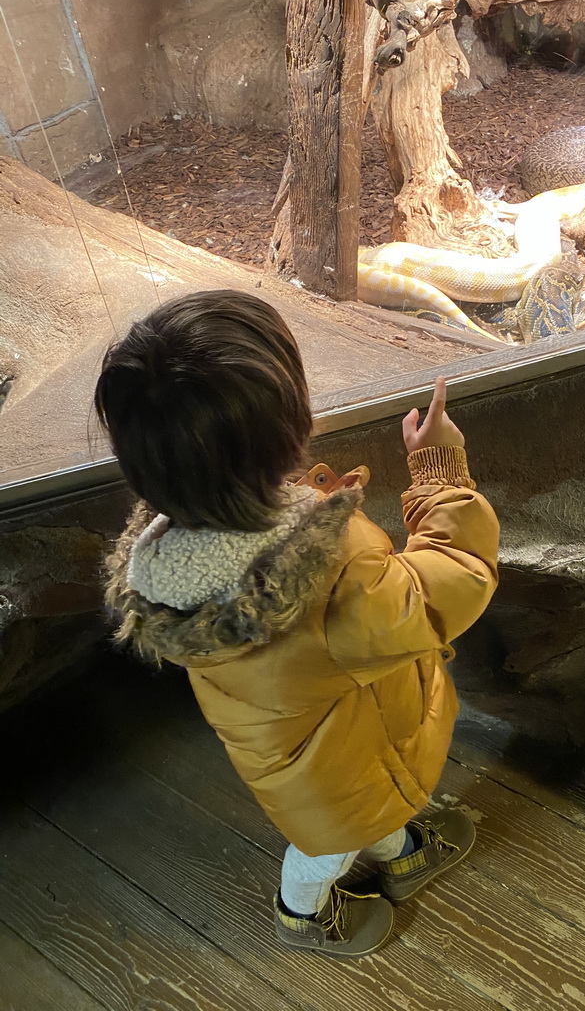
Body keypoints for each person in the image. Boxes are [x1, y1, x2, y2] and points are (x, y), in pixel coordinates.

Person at [95, 290, 500, 958]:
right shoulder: (332, 572)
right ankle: (300, 915)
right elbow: (448, 588)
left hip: (297, 751)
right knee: (327, 848)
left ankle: (401, 851)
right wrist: (436, 472)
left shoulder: (166, 555)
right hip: (335, 768)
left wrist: (304, 504)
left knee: (363, 811)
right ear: (292, 423)